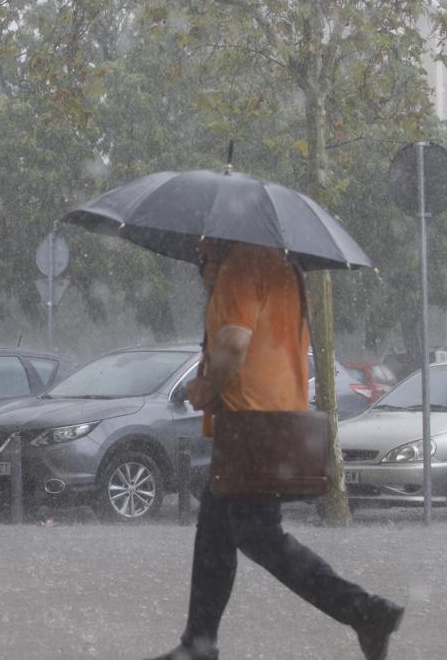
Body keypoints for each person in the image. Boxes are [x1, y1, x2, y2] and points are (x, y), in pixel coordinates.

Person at [146, 239, 404, 660]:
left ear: (217, 244)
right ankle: (198, 642)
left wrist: (206, 387)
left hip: (249, 429)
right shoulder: (285, 269)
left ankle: (365, 611)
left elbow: (233, 344)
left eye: (204, 253)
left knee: (260, 536)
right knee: (215, 530)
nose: (200, 260)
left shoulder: (239, 268)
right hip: (276, 423)